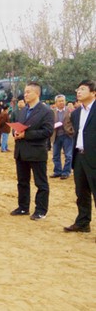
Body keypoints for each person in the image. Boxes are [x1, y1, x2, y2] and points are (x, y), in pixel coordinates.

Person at [11, 82, 54, 220]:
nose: (25, 94)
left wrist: (26, 135)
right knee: (22, 181)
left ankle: (41, 210)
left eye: (28, 91)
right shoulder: (23, 110)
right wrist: (15, 132)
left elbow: (47, 131)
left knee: (40, 183)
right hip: (21, 151)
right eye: (25, 92)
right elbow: (19, 126)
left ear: (37, 93)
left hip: (36, 152)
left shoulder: (46, 111)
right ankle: (23, 207)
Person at [63, 80, 96, 234]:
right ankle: (83, 222)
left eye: (83, 89)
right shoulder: (76, 113)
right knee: (81, 192)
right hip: (79, 157)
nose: (78, 92)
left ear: (93, 92)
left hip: (94, 157)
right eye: (78, 89)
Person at [50, 95, 74, 179]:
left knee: (68, 155)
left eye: (63, 101)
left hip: (67, 135)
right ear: (56, 103)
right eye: (59, 101)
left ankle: (66, 172)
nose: (61, 103)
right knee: (55, 155)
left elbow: (74, 122)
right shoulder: (52, 112)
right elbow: (49, 123)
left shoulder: (70, 111)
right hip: (56, 135)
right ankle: (57, 171)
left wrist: (71, 131)